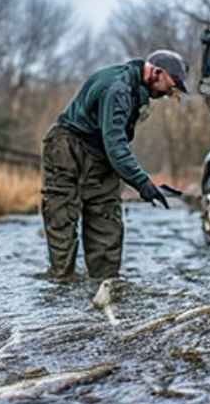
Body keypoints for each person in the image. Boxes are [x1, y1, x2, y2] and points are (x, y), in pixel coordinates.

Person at [40, 49, 190, 279]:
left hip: (99, 155)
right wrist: (144, 184)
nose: (171, 92)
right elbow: (116, 146)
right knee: (62, 220)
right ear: (156, 73)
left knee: (106, 223)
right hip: (67, 149)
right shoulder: (118, 89)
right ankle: (61, 290)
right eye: (171, 85)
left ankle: (106, 285)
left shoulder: (135, 87)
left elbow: (112, 146)